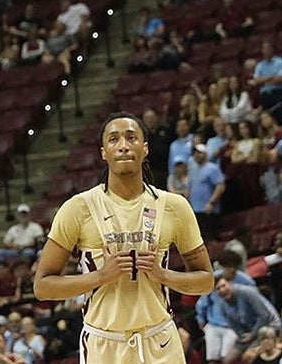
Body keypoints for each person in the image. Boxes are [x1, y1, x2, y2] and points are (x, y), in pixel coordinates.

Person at [35, 112, 214, 363]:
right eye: (114, 139)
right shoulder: (78, 208)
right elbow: (42, 286)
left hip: (160, 342)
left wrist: (163, 275)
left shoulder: (175, 206)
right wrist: (100, 276)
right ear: (103, 152)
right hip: (104, 346)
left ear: (145, 149)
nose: (123, 146)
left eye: (131, 138)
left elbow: (206, 281)